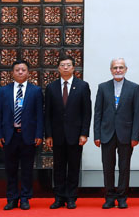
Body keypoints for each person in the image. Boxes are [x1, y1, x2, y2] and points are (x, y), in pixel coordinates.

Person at [0, 60, 44, 210]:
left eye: (23, 70)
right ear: (12, 73)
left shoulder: (36, 91)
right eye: (17, 70)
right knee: (11, 169)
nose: (20, 72)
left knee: (27, 169)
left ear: (28, 73)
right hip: (9, 136)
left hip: (28, 136)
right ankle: (12, 198)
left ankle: (25, 198)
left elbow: (39, 115)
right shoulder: (4, 91)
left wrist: (39, 134)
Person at [44, 54, 92, 209]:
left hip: (76, 136)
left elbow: (87, 112)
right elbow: (47, 113)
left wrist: (84, 133)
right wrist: (48, 134)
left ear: (73, 68)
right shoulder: (51, 87)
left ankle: (71, 197)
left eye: (68, 65)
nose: (65, 67)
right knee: (58, 167)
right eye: (62, 65)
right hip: (57, 135)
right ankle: (59, 197)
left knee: (73, 167)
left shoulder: (82, 86)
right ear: (58, 68)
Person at [93, 58, 139, 209]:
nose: (118, 70)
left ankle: (122, 197)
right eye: (115, 68)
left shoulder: (134, 88)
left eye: (121, 67)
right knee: (108, 167)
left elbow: (137, 114)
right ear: (111, 70)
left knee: (124, 167)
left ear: (126, 69)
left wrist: (135, 136)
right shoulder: (103, 87)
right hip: (106, 133)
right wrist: (97, 135)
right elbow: (98, 112)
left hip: (126, 134)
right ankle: (109, 197)